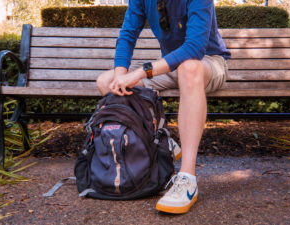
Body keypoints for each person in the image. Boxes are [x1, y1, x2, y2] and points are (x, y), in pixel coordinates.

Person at [96, 0, 231, 214]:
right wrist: (121, 78)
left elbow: (194, 49)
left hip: (208, 62)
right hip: (171, 64)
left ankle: (187, 179)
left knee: (189, 69)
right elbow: (127, 35)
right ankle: (164, 141)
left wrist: (140, 73)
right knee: (106, 82)